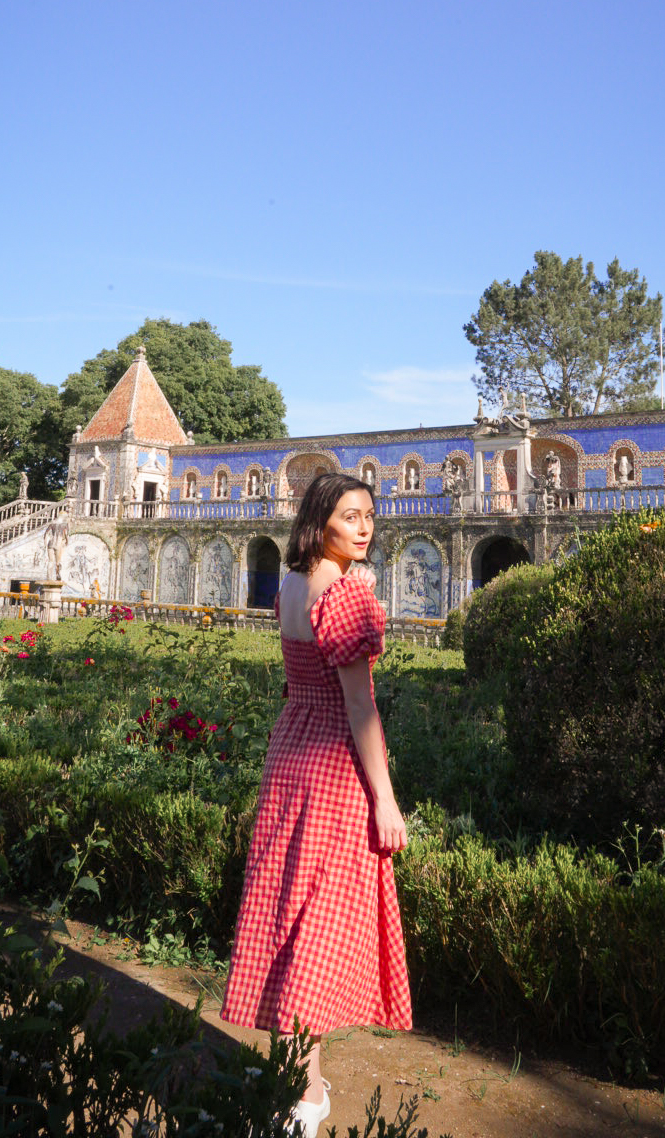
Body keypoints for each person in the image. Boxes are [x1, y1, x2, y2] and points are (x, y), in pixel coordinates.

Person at [220, 473, 411, 1136]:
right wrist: (385, 800)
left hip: (292, 746)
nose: (365, 528)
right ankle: (308, 1098)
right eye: (350, 517)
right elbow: (360, 706)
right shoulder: (348, 593)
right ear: (318, 521)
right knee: (318, 926)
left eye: (370, 517)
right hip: (331, 760)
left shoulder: (292, 585)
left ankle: (302, 1077)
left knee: (293, 912)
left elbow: (302, 682)